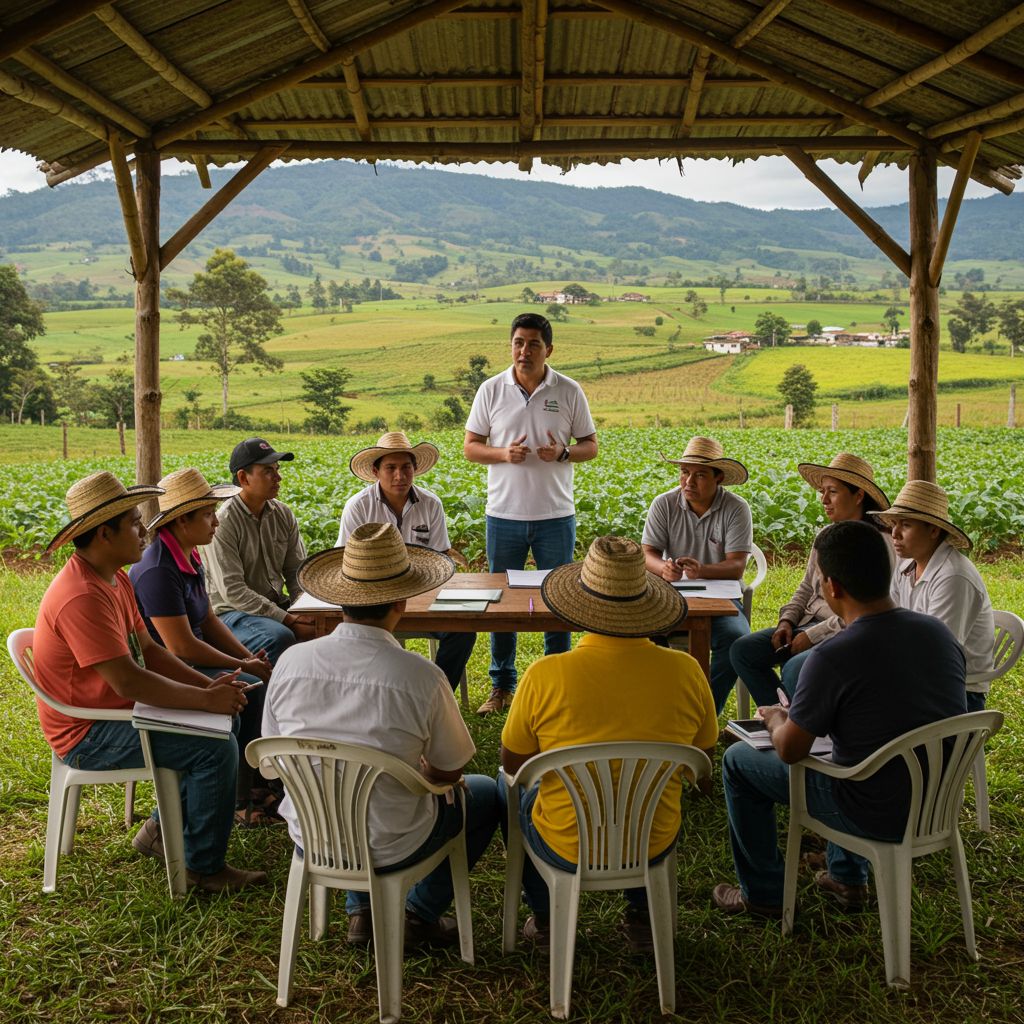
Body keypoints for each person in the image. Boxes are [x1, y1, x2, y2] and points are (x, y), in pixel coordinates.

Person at [712, 520, 967, 918]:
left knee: (738, 764)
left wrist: (778, 717)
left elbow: (791, 750)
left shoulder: (832, 656)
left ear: (831, 587)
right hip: (937, 801)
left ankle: (763, 896)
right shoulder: (938, 634)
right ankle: (846, 877)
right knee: (854, 750)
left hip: (870, 808)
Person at [263, 523, 500, 948]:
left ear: (340, 598)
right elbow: (451, 769)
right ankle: (417, 914)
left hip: (312, 831)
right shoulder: (421, 676)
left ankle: (362, 913)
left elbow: (271, 759)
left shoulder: (290, 662)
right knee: (483, 794)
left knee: (344, 785)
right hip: (394, 841)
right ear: (402, 600)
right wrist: (424, 771)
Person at [33, 471, 267, 892]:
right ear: (105, 534)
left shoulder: (114, 577)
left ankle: (161, 832)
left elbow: (153, 651)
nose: (145, 531)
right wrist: (203, 698)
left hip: (120, 711)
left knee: (224, 718)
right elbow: (129, 681)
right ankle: (202, 867)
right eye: (135, 524)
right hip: (89, 733)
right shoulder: (82, 595)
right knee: (215, 746)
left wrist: (207, 689)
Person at [499, 535, 718, 951]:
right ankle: (641, 917)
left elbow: (513, 764)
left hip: (565, 840)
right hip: (651, 839)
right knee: (642, 795)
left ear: (580, 606)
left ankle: (546, 919)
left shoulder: (544, 675)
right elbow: (701, 763)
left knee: (505, 790)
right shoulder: (687, 671)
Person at [464, 312, 598, 715]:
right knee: (501, 602)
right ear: (511, 346)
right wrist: (504, 453)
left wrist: (563, 452)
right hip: (502, 514)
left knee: (558, 600)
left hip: (556, 515)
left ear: (549, 350)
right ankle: (501, 685)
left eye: (533, 344)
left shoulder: (569, 390)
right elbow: (471, 447)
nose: (524, 351)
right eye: (518, 343)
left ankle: (558, 683)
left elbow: (590, 446)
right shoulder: (491, 390)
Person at [129, 467, 279, 825]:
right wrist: (241, 667)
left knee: (258, 682)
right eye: (208, 514)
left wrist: (244, 657)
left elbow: (209, 621)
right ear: (182, 521)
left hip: (188, 660)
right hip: (169, 670)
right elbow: (181, 647)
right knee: (246, 688)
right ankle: (241, 801)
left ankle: (254, 787)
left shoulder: (189, 553)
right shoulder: (158, 570)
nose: (216, 522)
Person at [729, 453, 891, 706]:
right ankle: (780, 716)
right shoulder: (826, 535)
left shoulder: (877, 544)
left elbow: (864, 611)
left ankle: (800, 727)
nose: (824, 500)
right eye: (822, 491)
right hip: (806, 622)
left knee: (794, 667)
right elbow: (806, 586)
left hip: (844, 631)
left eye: (833, 492)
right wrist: (786, 621)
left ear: (858, 495)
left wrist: (813, 636)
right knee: (743, 651)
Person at [338, 430, 475, 692]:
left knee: (463, 630)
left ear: (415, 469)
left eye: (406, 467)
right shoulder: (358, 506)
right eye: (390, 468)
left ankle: (437, 695)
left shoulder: (431, 504)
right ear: (376, 471)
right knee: (359, 637)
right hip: (374, 601)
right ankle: (373, 693)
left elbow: (440, 559)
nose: (399, 476)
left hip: (424, 597)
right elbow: (347, 562)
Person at [641, 436, 752, 714]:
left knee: (737, 641)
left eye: (699, 475)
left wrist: (702, 570)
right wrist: (663, 568)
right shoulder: (663, 504)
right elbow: (647, 555)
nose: (688, 482)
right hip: (671, 596)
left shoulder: (737, 509)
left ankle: (703, 710)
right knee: (639, 633)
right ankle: (657, 708)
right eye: (684, 472)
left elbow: (737, 566)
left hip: (721, 601)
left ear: (719, 478)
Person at [869, 480, 994, 710]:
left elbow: (937, 654)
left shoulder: (954, 577)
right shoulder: (906, 563)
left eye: (905, 525)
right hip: (917, 674)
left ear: (934, 530)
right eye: (894, 523)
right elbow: (891, 623)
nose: (894, 533)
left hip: (955, 692)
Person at [205, 437, 314, 664]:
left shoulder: (283, 514)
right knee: (280, 637)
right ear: (243, 478)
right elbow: (233, 591)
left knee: (325, 626)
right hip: (232, 613)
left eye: (277, 469)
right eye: (267, 471)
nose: (278, 477)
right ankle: (268, 697)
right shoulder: (224, 521)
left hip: (274, 606)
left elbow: (296, 572)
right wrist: (289, 620)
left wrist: (303, 610)